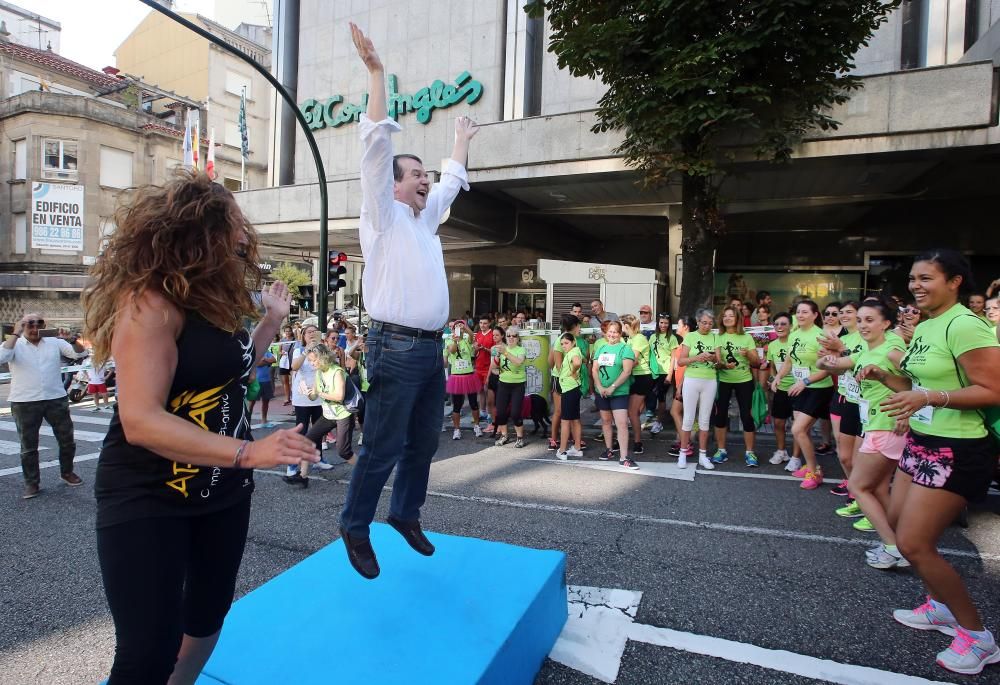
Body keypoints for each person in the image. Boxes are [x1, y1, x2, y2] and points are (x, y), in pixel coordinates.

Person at [82, 172, 318, 683]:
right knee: (148, 650)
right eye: (233, 227)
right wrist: (248, 453)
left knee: (207, 618)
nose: (243, 238)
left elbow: (229, 368)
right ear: (200, 234)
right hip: (148, 495)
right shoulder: (150, 305)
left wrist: (271, 323)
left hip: (222, 493)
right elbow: (140, 420)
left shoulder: (216, 301)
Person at [338, 23, 479, 580]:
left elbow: (450, 184)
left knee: (423, 442)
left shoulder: (426, 221)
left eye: (425, 175)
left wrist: (461, 144)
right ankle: (355, 523)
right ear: (394, 186)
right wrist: (376, 74)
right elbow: (376, 147)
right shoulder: (384, 216)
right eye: (416, 175)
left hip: (430, 349)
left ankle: (404, 513)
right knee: (383, 445)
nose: (425, 181)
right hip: (392, 346)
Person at [869, 250, 1000, 675]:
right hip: (923, 440)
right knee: (895, 518)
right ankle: (939, 607)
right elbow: (917, 382)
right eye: (912, 278)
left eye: (926, 278)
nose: (916, 286)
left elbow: (994, 389)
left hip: (958, 447)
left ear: (955, 281)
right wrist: (887, 380)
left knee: (913, 544)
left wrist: (928, 397)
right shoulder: (929, 324)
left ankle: (978, 638)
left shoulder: (965, 325)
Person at [819, 297, 908, 566]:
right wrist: (825, 360)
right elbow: (834, 365)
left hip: (886, 425)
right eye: (860, 320)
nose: (863, 325)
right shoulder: (866, 351)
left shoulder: (892, 346)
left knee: (858, 485)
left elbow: (917, 381)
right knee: (879, 487)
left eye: (870, 320)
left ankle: (894, 547)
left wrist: (908, 411)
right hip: (874, 424)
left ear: (886, 323)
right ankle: (899, 543)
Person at [0, 313, 88, 499]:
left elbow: (79, 354)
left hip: (55, 398)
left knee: (67, 440)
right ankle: (31, 483)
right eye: (29, 324)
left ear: (44, 325)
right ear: (22, 326)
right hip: (24, 401)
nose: (34, 328)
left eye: (38, 324)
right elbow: (2, 356)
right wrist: (15, 334)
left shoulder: (55, 342)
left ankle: (67, 472)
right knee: (28, 446)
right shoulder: (15, 344)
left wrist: (73, 340)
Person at [772, 300, 832, 490]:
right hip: (801, 387)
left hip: (818, 388)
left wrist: (805, 382)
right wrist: (778, 377)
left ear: (815, 315)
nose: (800, 315)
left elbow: (828, 370)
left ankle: (815, 472)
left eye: (805, 312)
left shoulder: (821, 336)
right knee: (802, 430)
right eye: (798, 312)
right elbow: (789, 361)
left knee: (798, 429)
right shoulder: (794, 335)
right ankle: (808, 465)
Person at [819, 301, 864, 498]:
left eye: (849, 312)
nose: (844, 315)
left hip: (863, 402)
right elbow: (840, 368)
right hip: (843, 395)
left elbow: (860, 367)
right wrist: (828, 358)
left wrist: (840, 349)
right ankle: (852, 483)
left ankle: (859, 491)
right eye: (842, 312)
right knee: (842, 450)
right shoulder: (845, 337)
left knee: (857, 454)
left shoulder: (867, 338)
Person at [712, 306, 761, 466]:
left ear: (737, 318)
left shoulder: (746, 337)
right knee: (720, 416)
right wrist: (723, 366)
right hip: (724, 381)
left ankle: (750, 452)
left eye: (731, 316)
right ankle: (721, 450)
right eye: (724, 316)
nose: (727, 318)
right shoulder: (718, 337)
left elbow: (756, 362)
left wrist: (749, 354)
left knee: (747, 416)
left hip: (744, 381)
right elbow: (718, 364)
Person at [285, 324, 328, 485]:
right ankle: (292, 465)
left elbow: (326, 367)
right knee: (301, 430)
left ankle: (318, 458)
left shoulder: (321, 349)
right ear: (303, 336)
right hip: (302, 397)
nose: (311, 334)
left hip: (318, 396)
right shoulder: (298, 349)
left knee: (318, 429)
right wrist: (307, 350)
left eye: (314, 332)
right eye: (308, 332)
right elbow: (294, 366)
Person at [591, 320, 638, 470]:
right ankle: (609, 449)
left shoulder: (625, 349)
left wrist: (612, 387)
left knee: (622, 423)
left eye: (615, 332)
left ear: (620, 333)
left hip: (619, 393)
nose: (612, 335)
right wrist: (599, 386)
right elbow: (594, 369)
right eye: (610, 332)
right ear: (606, 333)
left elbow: (627, 371)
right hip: (602, 392)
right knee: (605, 421)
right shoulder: (601, 348)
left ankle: (624, 457)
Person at [301, 344, 357, 468]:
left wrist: (319, 393)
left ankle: (364, 475)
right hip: (328, 414)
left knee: (344, 452)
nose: (312, 363)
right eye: (310, 360)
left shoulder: (337, 371)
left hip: (343, 414)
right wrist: (308, 393)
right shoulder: (319, 372)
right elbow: (314, 397)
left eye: (314, 360)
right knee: (307, 440)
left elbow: (339, 396)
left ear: (323, 357)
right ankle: (302, 476)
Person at [677, 309, 719, 470]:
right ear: (698, 321)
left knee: (705, 420)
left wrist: (713, 358)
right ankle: (682, 453)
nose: (707, 326)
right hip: (692, 379)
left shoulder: (715, 337)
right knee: (688, 418)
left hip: (709, 380)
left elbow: (719, 362)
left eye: (710, 323)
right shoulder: (691, 336)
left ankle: (703, 455)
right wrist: (697, 357)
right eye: (704, 322)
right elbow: (681, 361)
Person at [765, 313, 798, 466]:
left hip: (798, 389)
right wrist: (773, 380)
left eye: (783, 324)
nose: (779, 327)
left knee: (797, 426)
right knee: (778, 423)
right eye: (776, 324)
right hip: (781, 389)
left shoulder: (796, 342)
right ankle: (781, 451)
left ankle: (796, 458)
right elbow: (771, 367)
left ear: (791, 326)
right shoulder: (772, 345)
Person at [620, 314, 654, 456]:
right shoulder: (630, 339)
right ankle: (628, 438)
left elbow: (632, 361)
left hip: (642, 377)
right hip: (633, 377)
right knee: (631, 412)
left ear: (626, 326)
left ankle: (638, 442)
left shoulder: (639, 338)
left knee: (632, 412)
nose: (620, 328)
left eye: (621, 325)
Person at [445, 320, 483, 440]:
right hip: (457, 377)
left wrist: (465, 329)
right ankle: (457, 429)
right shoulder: (449, 339)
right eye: (456, 327)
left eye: (460, 327)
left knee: (473, 403)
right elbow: (452, 350)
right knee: (457, 405)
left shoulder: (467, 338)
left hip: (469, 375)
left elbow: (472, 337)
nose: (458, 329)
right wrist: (456, 339)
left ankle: (477, 426)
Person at [493, 327, 528, 447]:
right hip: (503, 383)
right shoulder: (501, 349)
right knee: (501, 412)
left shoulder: (521, 349)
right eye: (509, 336)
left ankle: (520, 438)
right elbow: (493, 367)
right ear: (505, 337)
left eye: (514, 336)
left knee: (515, 413)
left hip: (518, 385)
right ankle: (504, 436)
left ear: (518, 338)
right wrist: (496, 360)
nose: (511, 338)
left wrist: (505, 353)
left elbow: (518, 362)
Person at [555, 332, 585, 460]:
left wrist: (573, 371)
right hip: (573, 389)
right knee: (575, 419)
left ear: (573, 342)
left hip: (570, 389)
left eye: (566, 343)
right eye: (562, 344)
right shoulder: (573, 352)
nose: (563, 346)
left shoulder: (573, 352)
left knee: (565, 421)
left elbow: (577, 363)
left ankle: (562, 450)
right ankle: (577, 448)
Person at [650, 314, 677, 436]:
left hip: (665, 371)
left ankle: (659, 421)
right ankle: (651, 417)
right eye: (661, 322)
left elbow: (673, 358)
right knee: (650, 396)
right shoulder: (652, 337)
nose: (663, 325)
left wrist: (669, 375)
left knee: (661, 397)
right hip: (653, 371)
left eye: (666, 323)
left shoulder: (671, 338)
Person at [247, 347, 276, 429]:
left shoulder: (266, 351)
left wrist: (264, 360)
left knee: (266, 402)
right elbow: (258, 364)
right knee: (251, 403)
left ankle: (264, 421)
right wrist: (267, 361)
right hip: (256, 381)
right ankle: (247, 422)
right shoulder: (254, 352)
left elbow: (274, 360)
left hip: (266, 381)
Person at [473, 315, 494, 421]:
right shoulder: (478, 335)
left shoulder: (493, 334)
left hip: (489, 367)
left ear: (489, 323)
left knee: (488, 390)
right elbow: (475, 353)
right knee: (480, 390)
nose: (482, 325)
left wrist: (484, 348)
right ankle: (483, 412)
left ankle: (490, 413)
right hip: (478, 366)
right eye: (481, 323)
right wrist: (476, 349)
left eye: (485, 323)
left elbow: (495, 352)